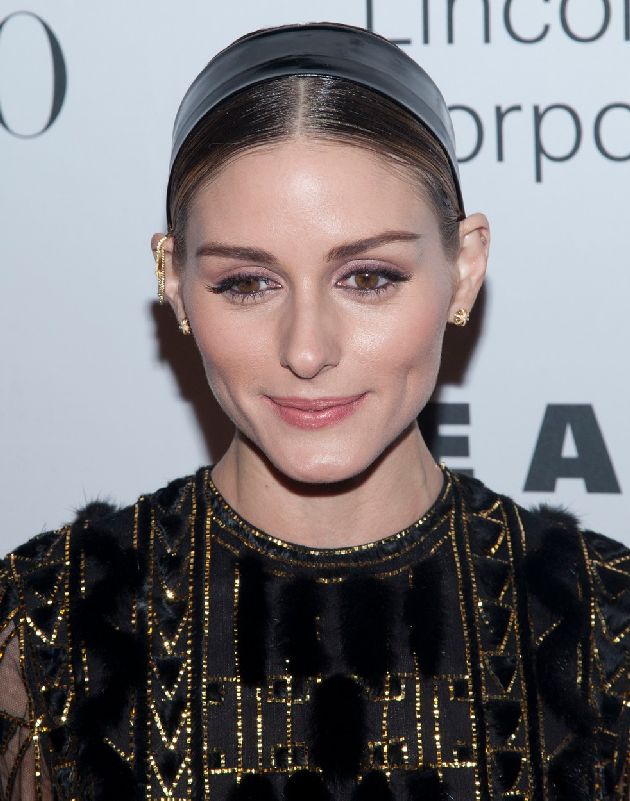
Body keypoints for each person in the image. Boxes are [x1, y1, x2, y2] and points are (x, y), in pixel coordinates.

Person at [0, 21, 627, 801]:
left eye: (367, 278)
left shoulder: (604, 623)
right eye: (246, 282)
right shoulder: (48, 622)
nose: (306, 349)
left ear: (465, 270)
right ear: (174, 281)